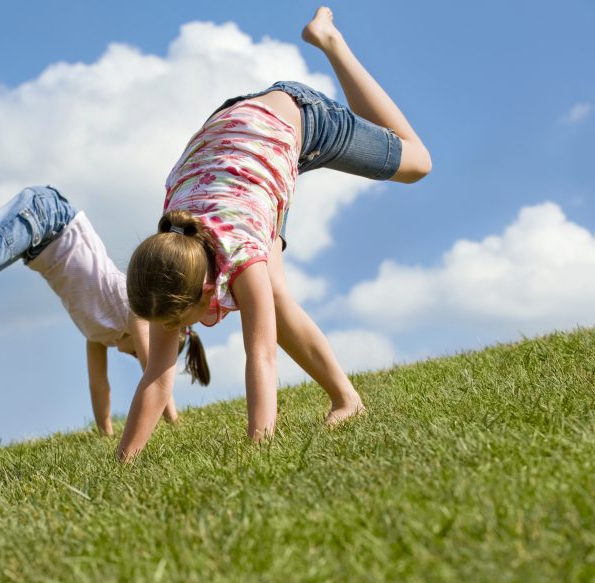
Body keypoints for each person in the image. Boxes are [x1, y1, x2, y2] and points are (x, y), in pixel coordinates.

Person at [120, 7, 431, 460]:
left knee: (417, 163)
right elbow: (157, 376)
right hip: (233, 148)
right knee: (276, 295)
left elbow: (260, 358)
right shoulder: (173, 256)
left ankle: (329, 41)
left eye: (178, 321)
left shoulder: (241, 257)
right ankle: (347, 402)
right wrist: (124, 463)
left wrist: (258, 450)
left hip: (295, 118)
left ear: (207, 289)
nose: (176, 331)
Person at [0, 185, 210, 436]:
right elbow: (154, 372)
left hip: (40, 245)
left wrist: (105, 431)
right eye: (139, 349)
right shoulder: (135, 308)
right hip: (52, 217)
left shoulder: (98, 334)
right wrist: (174, 422)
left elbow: (99, 384)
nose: (129, 352)